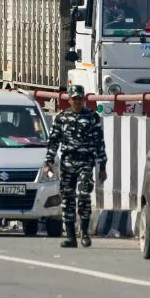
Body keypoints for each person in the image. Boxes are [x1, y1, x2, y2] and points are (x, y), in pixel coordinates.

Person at [43, 85, 107, 248]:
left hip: (86, 161)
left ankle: (84, 234)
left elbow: (99, 142)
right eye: (75, 98)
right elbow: (53, 141)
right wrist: (48, 162)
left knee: (84, 196)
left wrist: (103, 166)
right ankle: (71, 236)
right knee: (68, 198)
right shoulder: (62, 118)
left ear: (83, 99)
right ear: (69, 99)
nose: (77, 101)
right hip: (67, 162)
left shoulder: (92, 117)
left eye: (80, 98)